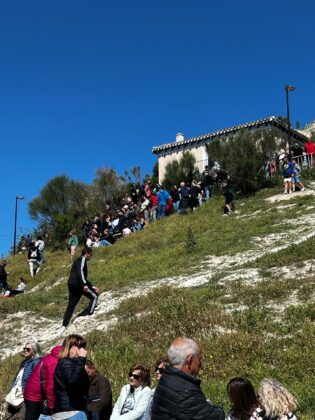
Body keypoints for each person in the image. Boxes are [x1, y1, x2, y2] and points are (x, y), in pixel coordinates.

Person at [151, 337, 224, 419]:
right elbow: (214, 417)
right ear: (189, 360)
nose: (200, 364)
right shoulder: (186, 391)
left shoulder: (166, 378)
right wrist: (219, 410)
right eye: (199, 359)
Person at [61, 247, 99, 333]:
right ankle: (90, 313)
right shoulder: (82, 259)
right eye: (91, 255)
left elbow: (82, 276)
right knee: (95, 296)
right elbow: (80, 272)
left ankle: (64, 325)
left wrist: (91, 286)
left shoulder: (77, 260)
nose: (91, 257)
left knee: (71, 305)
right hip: (79, 285)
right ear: (87, 253)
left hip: (72, 284)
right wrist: (85, 285)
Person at [53, 334, 89, 420]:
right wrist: (81, 359)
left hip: (69, 410)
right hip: (70, 411)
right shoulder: (66, 363)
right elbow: (73, 382)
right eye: (79, 347)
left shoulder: (70, 364)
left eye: (83, 347)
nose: (82, 350)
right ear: (70, 348)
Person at [24, 344, 62, 420]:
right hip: (34, 396)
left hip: (31, 392)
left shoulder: (50, 357)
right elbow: (50, 386)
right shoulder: (54, 362)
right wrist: (52, 407)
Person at [5, 342, 42, 419]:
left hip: (26, 396)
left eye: (28, 349)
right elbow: (17, 378)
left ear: (34, 351)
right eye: (24, 348)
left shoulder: (36, 362)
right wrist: (11, 388)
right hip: (16, 394)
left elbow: (37, 380)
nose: (25, 350)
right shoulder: (24, 362)